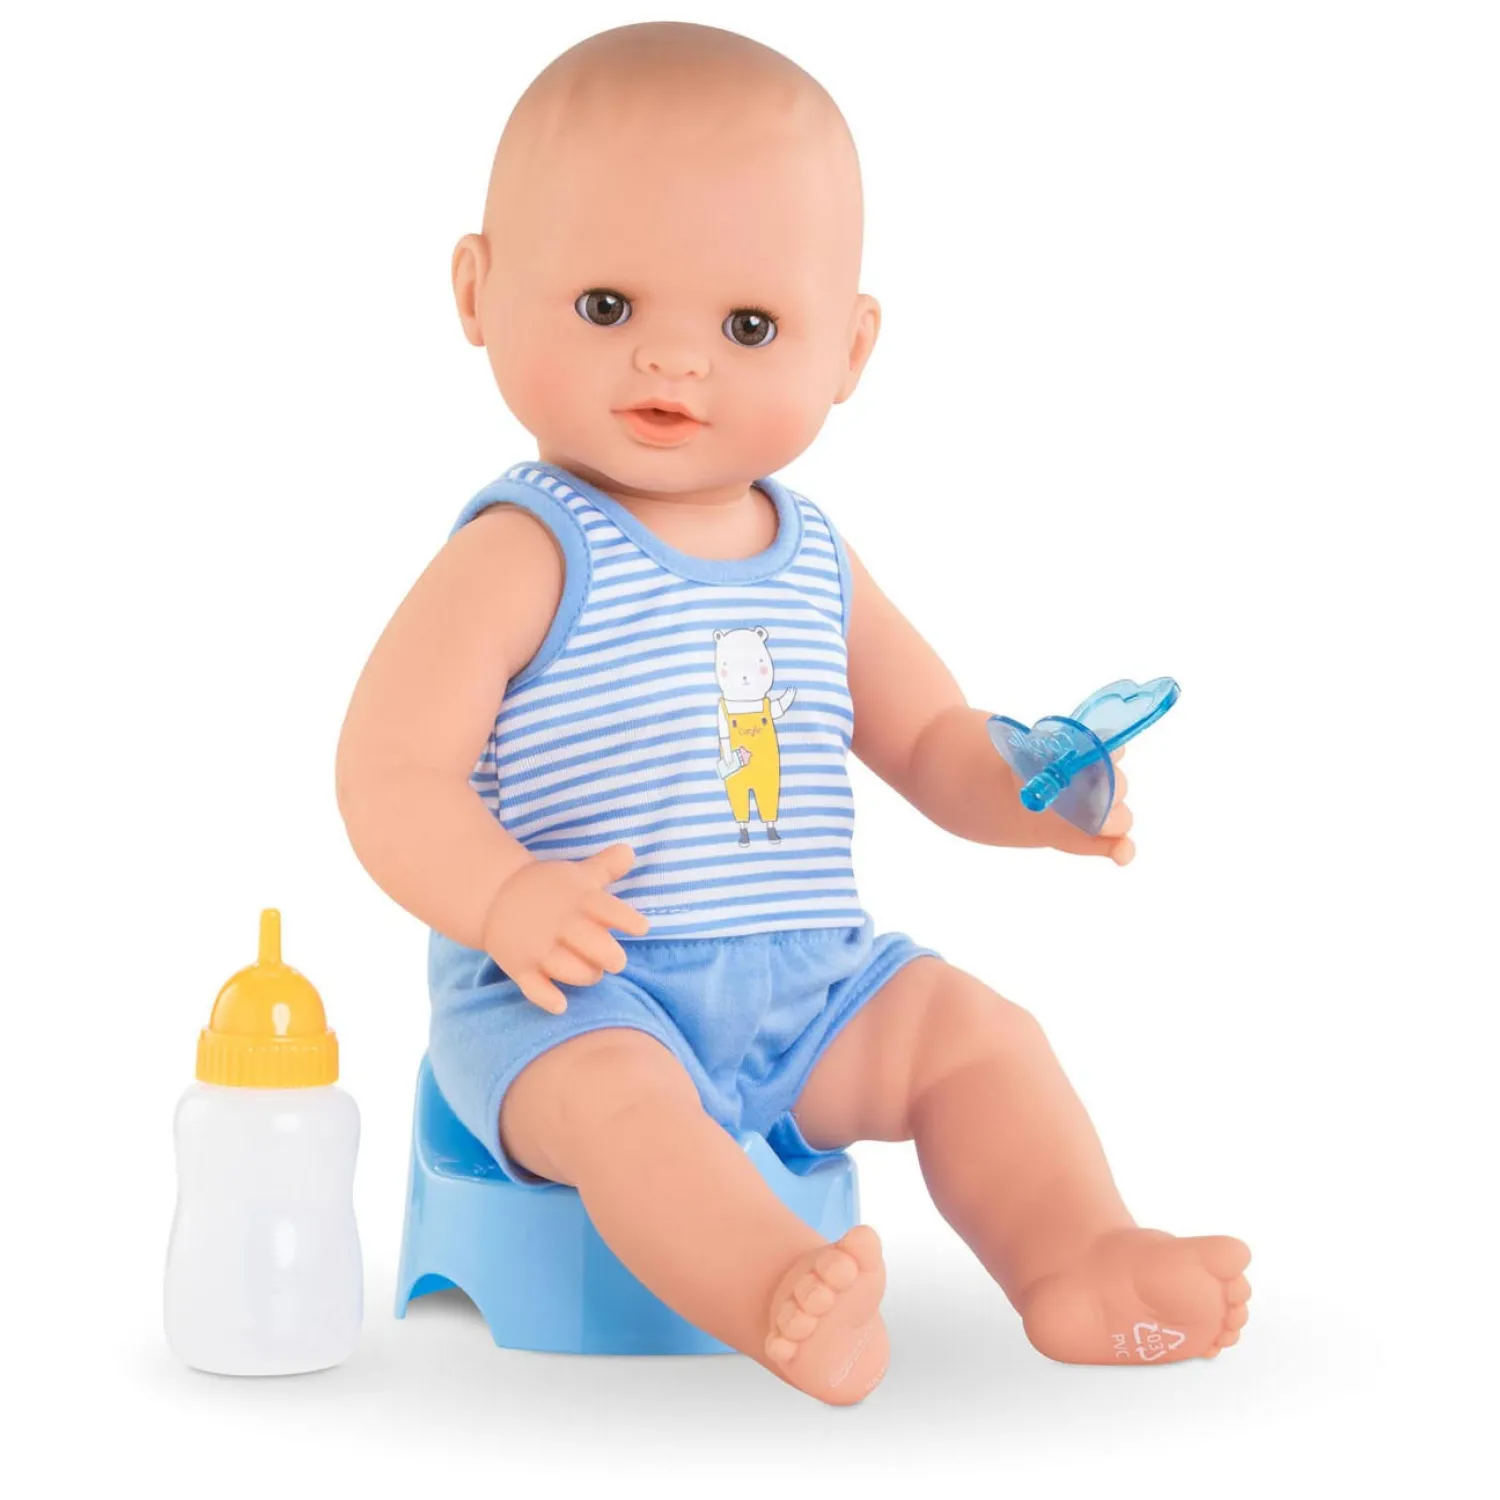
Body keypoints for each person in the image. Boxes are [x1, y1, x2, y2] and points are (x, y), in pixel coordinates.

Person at [336, 21, 1250, 1406]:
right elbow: (390, 771)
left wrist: (1032, 789)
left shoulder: (813, 555)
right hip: (573, 1001)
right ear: (477, 288)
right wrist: (504, 896)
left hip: (812, 988)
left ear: (850, 348)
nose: (674, 361)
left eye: (749, 327)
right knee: (629, 1112)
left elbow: (929, 740)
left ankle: (1078, 1259)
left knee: (978, 1038)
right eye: (605, 306)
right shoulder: (525, 551)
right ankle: (775, 1291)